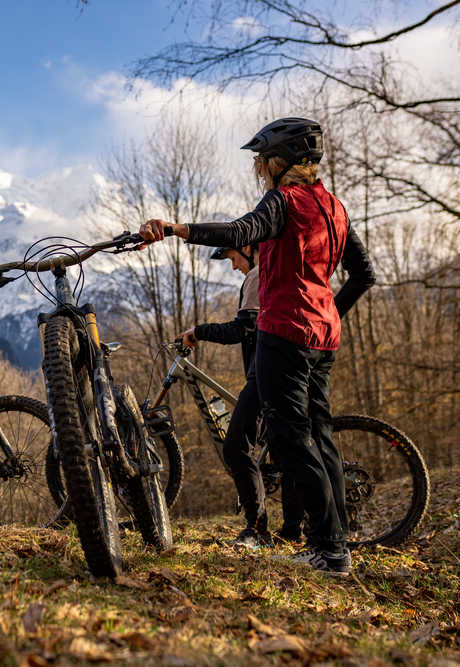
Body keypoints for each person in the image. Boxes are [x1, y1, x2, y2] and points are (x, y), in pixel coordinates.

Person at [140, 117, 375, 574]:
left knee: (291, 440)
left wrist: (175, 228)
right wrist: (327, 310)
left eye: (261, 160)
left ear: (278, 161)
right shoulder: (335, 207)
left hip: (284, 332)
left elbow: (239, 233)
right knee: (319, 435)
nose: (259, 168)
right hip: (323, 338)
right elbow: (363, 274)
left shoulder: (284, 201)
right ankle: (335, 541)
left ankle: (329, 549)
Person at [178, 244, 302, 548]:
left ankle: (257, 529)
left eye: (233, 258)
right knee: (284, 450)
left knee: (236, 447)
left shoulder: (259, 273)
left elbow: (243, 328)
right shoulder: (271, 272)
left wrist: (198, 332)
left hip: (265, 374)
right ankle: (291, 532)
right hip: (285, 370)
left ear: (248, 248)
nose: (234, 266)